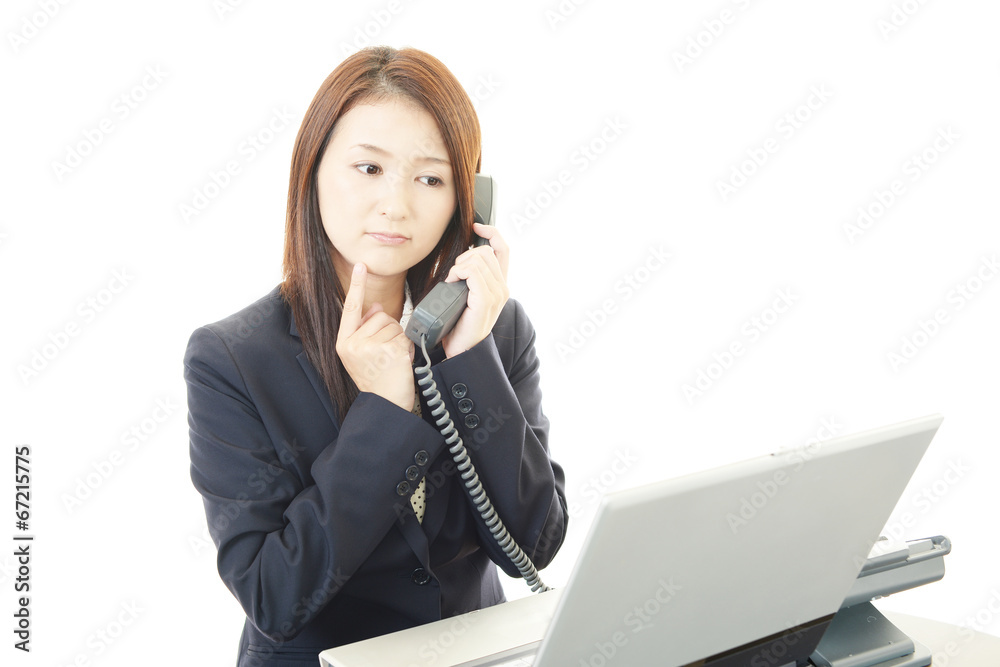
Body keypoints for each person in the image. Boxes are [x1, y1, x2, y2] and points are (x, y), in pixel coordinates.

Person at [184, 46, 568, 666]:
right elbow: (274, 597)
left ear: (468, 200)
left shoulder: (494, 329)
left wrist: (469, 359)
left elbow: (535, 541)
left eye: (431, 178)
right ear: (312, 172)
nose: (397, 205)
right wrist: (384, 413)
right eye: (369, 168)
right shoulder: (232, 359)